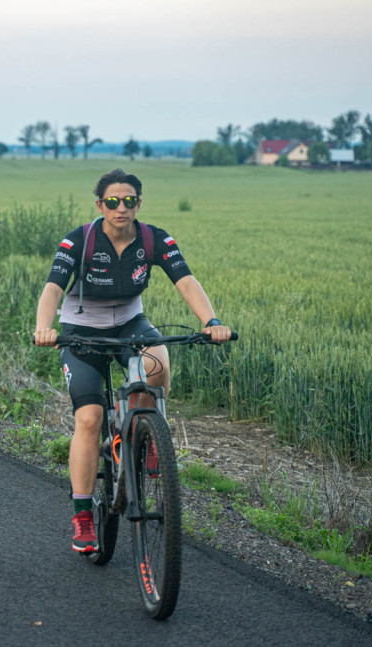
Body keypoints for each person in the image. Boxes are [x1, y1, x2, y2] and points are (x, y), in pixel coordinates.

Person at [33, 168, 232, 552]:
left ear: (138, 203)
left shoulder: (153, 238)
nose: (120, 207)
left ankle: (144, 431)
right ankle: (83, 516)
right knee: (89, 419)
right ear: (99, 205)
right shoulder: (80, 241)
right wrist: (45, 328)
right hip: (81, 331)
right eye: (112, 201)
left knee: (158, 361)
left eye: (129, 201)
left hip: (129, 321)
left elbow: (185, 281)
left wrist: (211, 321)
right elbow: (52, 289)